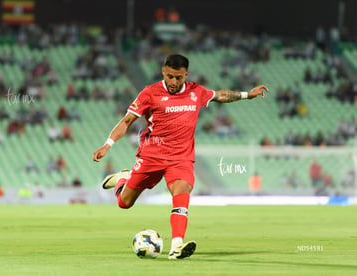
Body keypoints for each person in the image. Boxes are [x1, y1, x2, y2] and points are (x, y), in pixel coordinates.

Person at [92, 54, 268, 260]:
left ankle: (176, 246)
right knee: (125, 203)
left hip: (180, 158)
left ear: (186, 75)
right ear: (163, 72)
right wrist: (107, 145)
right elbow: (127, 120)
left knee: (182, 191)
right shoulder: (150, 93)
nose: (174, 82)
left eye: (178, 78)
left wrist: (248, 94)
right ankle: (124, 178)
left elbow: (219, 95)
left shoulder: (196, 91)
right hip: (152, 155)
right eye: (169, 77)